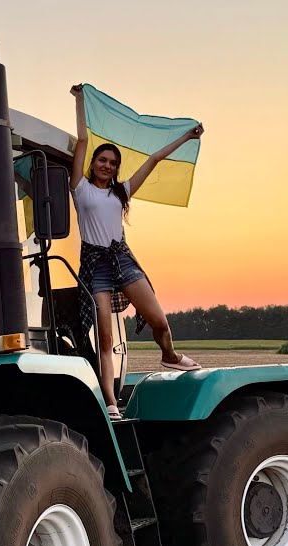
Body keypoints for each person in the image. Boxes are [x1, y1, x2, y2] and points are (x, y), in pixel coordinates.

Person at [70, 83, 203, 419]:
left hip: (123, 259)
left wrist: (187, 137)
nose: (106, 165)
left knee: (158, 319)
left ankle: (169, 355)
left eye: (112, 163)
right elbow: (83, 139)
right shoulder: (80, 188)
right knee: (104, 337)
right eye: (102, 160)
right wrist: (80, 99)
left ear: (116, 168)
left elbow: (155, 159)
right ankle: (111, 403)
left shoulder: (122, 193)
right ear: (93, 163)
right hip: (95, 264)